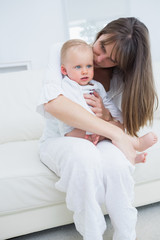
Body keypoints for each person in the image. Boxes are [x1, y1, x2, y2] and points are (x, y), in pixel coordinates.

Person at [37, 17, 158, 240]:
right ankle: (92, 234)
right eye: (101, 46)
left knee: (117, 165)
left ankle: (126, 234)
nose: (99, 58)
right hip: (62, 138)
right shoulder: (64, 51)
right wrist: (114, 132)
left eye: (111, 59)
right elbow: (53, 103)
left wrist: (108, 116)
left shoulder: (121, 79)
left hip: (99, 139)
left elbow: (125, 125)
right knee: (84, 157)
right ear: (101, 32)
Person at [59, 39, 157, 163]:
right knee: (90, 135)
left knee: (113, 133)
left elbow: (108, 104)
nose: (85, 71)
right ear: (64, 70)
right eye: (78, 67)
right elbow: (68, 107)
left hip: (97, 131)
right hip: (74, 132)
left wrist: (113, 116)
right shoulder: (67, 85)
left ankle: (134, 149)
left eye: (89, 66)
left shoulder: (96, 86)